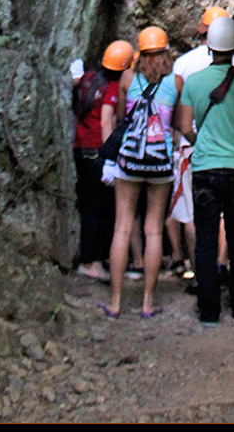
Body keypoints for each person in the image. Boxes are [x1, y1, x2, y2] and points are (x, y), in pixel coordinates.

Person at [177, 15, 234, 326]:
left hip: (205, 170)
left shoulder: (193, 83)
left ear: (209, 47)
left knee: (205, 240)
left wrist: (201, 142)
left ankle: (209, 311)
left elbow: (185, 127)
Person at [100, 27, 182, 319]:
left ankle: (116, 302)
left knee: (122, 226)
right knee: (154, 229)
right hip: (160, 163)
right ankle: (148, 302)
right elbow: (179, 123)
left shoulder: (127, 78)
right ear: (166, 51)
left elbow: (122, 117)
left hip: (130, 161)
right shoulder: (176, 82)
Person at [169, 7, 234, 280]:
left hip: (193, 147)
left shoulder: (183, 64)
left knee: (194, 213)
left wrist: (191, 139)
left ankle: (198, 270)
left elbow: (179, 108)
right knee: (227, 214)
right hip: (231, 149)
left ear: (203, 31)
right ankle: (221, 264)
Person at [72, 40, 133, 281]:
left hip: (80, 148)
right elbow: (107, 120)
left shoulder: (89, 78)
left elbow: (75, 81)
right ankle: (91, 261)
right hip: (97, 150)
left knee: (89, 205)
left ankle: (97, 257)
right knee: (99, 208)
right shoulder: (110, 88)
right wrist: (110, 156)